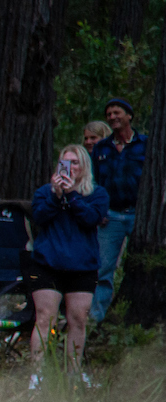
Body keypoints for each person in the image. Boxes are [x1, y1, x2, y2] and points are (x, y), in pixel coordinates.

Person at [26, 145, 109, 391]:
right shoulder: (44, 193)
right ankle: (36, 376)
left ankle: (73, 373)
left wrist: (72, 195)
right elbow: (39, 217)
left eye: (75, 163)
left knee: (78, 319)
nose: (70, 167)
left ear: (84, 167)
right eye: (65, 163)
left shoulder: (97, 194)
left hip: (81, 267)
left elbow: (91, 219)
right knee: (45, 318)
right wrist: (56, 195)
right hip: (47, 264)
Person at [89, 98, 148, 323]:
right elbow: (93, 182)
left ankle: (141, 320)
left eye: (117, 112)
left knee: (143, 266)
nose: (112, 117)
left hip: (139, 216)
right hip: (110, 216)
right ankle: (95, 320)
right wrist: (98, 209)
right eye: (109, 114)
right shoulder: (102, 148)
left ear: (129, 115)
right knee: (103, 269)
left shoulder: (145, 144)